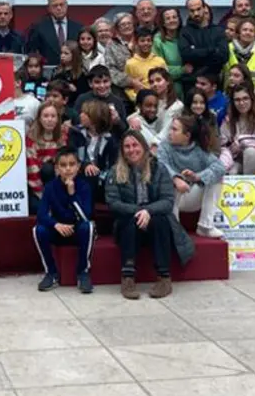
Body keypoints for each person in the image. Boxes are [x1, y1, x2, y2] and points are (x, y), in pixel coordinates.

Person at [104, 130, 191, 299]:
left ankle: (164, 278)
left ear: (144, 147)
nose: (131, 150)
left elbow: (167, 200)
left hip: (154, 218)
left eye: (135, 145)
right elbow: (113, 203)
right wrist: (139, 211)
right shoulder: (115, 171)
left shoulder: (159, 168)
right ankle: (128, 278)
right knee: (129, 220)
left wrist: (148, 211)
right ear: (122, 150)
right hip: (129, 222)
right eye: (127, 146)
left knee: (161, 221)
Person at [34, 147, 95, 293]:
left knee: (88, 226)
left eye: (72, 164)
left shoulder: (84, 186)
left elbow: (85, 216)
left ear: (78, 167)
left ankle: (83, 272)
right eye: (63, 165)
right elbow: (41, 214)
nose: (68, 169)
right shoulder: (50, 187)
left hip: (77, 229)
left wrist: (72, 194)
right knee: (38, 229)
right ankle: (51, 272)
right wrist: (55, 224)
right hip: (59, 229)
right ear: (56, 168)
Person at [159, 112, 225, 238]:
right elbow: (161, 165)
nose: (169, 133)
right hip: (171, 198)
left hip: (191, 195)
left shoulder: (199, 150)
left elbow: (220, 167)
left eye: (174, 129)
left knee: (217, 178)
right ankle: (174, 228)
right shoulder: (165, 146)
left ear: (187, 135)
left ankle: (205, 226)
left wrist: (197, 176)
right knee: (170, 183)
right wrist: (176, 178)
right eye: (170, 128)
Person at [221, 84, 255, 174]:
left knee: (251, 152)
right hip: (236, 160)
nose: (241, 103)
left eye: (245, 98)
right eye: (237, 100)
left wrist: (243, 141)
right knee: (232, 172)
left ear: (252, 99)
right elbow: (223, 146)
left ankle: (251, 186)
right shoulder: (228, 121)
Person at [27, 100, 68, 208]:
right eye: (45, 116)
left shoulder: (63, 137)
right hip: (38, 184)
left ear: (58, 118)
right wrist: (42, 194)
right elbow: (32, 170)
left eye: (53, 116)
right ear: (39, 118)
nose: (49, 119)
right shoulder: (31, 139)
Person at [26, 0, 83, 66]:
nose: (59, 8)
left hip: (73, 73)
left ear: (66, 5)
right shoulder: (38, 28)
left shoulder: (78, 28)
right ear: (49, 8)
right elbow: (32, 54)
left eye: (61, 4)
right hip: (48, 73)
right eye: (55, 5)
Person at [179, 0, 227, 83]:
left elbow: (223, 56)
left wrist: (196, 52)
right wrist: (212, 50)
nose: (196, 13)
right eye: (192, 11)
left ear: (204, 8)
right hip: (192, 81)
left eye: (198, 9)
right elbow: (186, 54)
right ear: (188, 12)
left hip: (214, 81)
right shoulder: (184, 32)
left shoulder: (218, 30)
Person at [74, 65, 127, 134]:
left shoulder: (117, 102)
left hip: (111, 142)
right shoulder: (82, 99)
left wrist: (118, 121)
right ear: (90, 83)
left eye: (105, 81)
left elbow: (124, 130)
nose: (102, 85)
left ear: (110, 81)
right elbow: (74, 123)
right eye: (97, 82)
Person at [224, 19, 255, 88]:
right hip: (230, 93)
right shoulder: (227, 49)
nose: (248, 32)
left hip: (254, 94)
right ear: (239, 32)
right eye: (244, 30)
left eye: (251, 31)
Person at [123, 26, 165, 103]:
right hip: (141, 103)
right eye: (142, 41)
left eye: (149, 40)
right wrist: (137, 97)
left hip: (161, 101)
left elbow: (167, 82)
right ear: (136, 42)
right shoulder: (130, 64)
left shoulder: (160, 61)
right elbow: (128, 88)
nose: (146, 43)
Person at [104, 13, 136, 92]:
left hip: (145, 85)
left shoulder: (142, 41)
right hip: (121, 90)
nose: (127, 26)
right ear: (117, 29)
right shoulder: (111, 45)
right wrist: (131, 81)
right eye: (123, 24)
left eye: (129, 23)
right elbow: (111, 69)